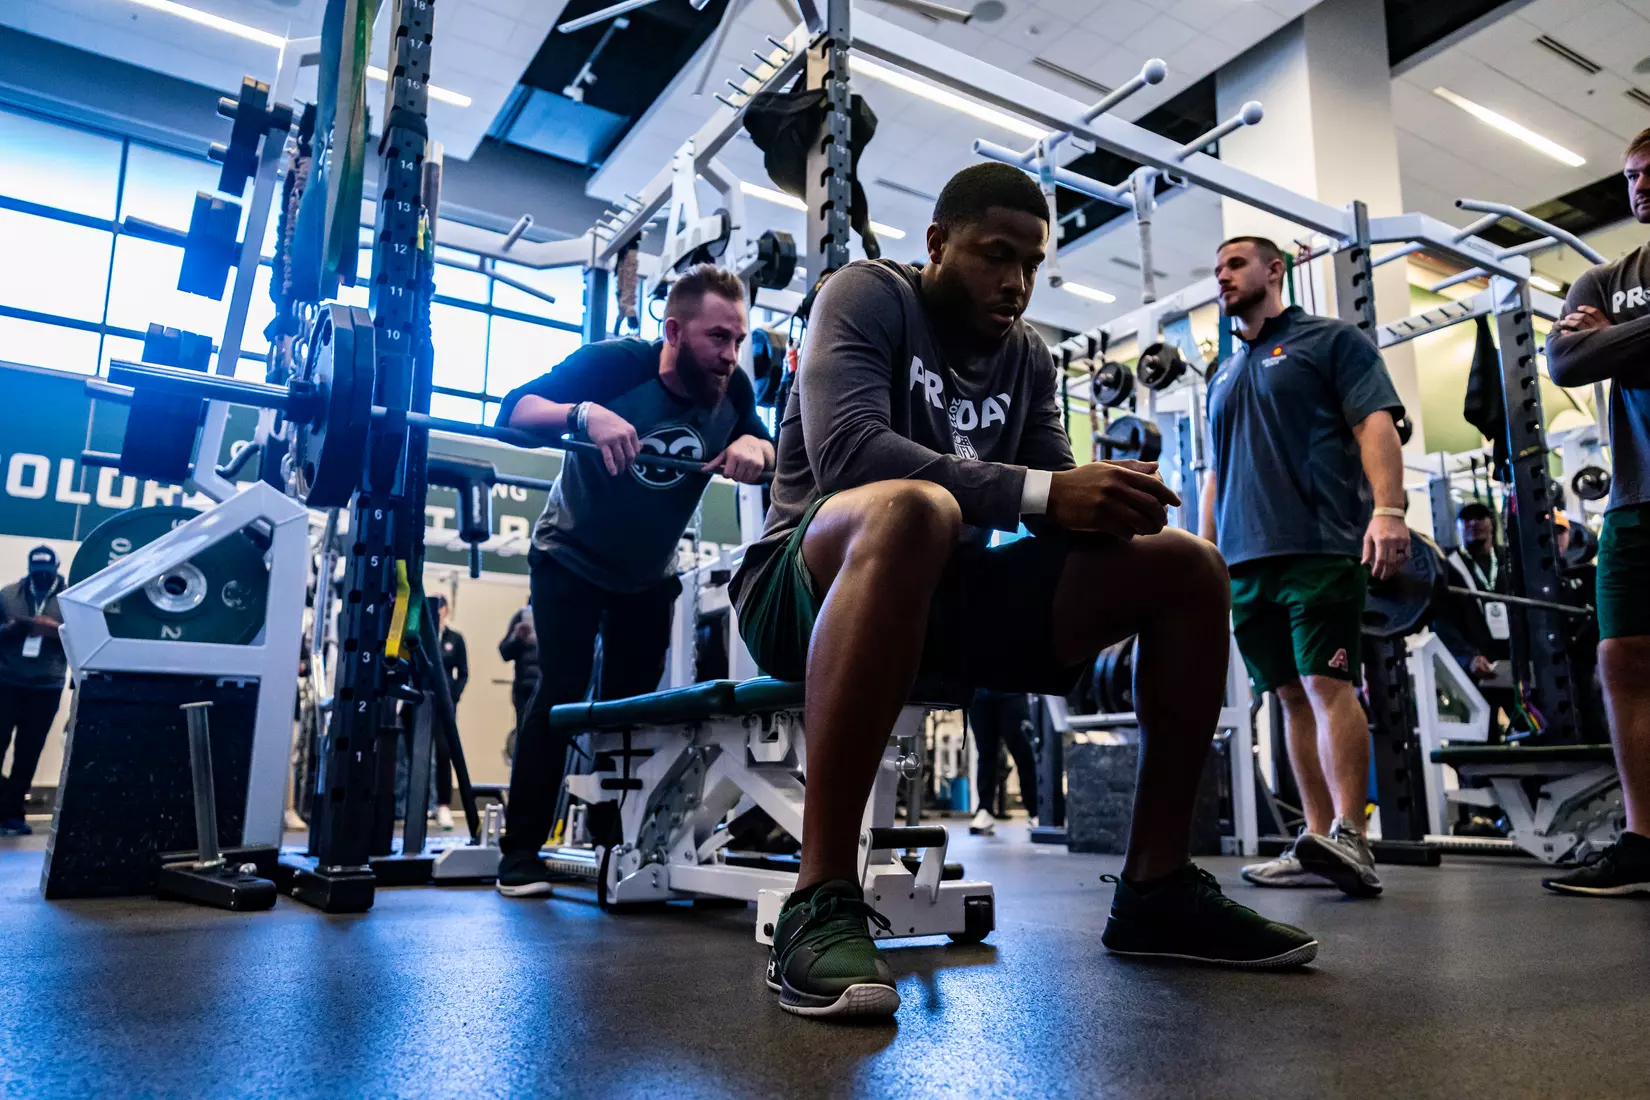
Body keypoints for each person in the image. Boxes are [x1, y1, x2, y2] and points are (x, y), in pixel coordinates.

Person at [730, 163, 1317, 1021]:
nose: (1016, 283)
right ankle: (819, 896)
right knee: (913, 509)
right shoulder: (866, 296)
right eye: (995, 255)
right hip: (803, 590)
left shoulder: (1028, 356)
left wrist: (1109, 504)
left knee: (1188, 565)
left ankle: (1157, 887)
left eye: (1032, 263)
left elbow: (1052, 496)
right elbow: (850, 454)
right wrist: (1046, 493)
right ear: (938, 244)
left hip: (944, 599)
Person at [492, 264, 774, 896]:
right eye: (717, 337)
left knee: (631, 713)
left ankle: (615, 849)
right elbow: (513, 412)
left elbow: (771, 451)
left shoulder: (732, 392)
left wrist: (758, 450)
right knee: (561, 692)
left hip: (646, 577)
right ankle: (520, 854)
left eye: (737, 339)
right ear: (673, 331)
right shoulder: (615, 365)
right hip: (569, 555)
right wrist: (583, 414)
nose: (731, 354)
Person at [1200, 235, 1408, 899]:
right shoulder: (1222, 373)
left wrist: (1390, 510)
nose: (1223, 276)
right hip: (1244, 560)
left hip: (1317, 546)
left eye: (1235, 264)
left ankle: (1353, 836)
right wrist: (1202, 556)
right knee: (1288, 696)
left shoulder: (1330, 341)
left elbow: (1375, 425)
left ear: (1274, 269)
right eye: (1217, 268)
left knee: (1326, 685)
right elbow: (1214, 474)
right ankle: (1316, 841)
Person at [1540, 125, 1650, 896]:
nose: (1641, 185)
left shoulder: (1611, 302)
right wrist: (1607, 339)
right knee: (1621, 658)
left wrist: (1619, 339)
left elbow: (1599, 351)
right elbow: (1566, 359)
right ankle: (1644, 840)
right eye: (1632, 175)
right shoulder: (1605, 279)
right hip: (1636, 500)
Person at [0, 547, 68, 836]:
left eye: (46, 571)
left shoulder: (70, 599)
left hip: (46, 686)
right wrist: (11, 630)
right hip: (7, 681)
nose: (41, 576)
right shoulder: (8, 595)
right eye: (36, 570)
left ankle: (13, 814)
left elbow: (82, 638)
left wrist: (55, 630)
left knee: (28, 753)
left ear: (56, 568)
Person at [1433, 501, 1509, 685]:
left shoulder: (1510, 561)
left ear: (1492, 523)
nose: (1474, 523)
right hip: (1475, 671)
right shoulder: (1447, 567)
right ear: (1458, 527)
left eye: (1480, 517)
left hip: (1517, 663)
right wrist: (1468, 657)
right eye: (1467, 519)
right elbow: (1441, 622)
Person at [967, 689, 1038, 835]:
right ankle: (985, 810)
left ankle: (1035, 811)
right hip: (978, 693)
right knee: (985, 754)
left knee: (1023, 753)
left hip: (1011, 691)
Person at [431, 595, 468, 830]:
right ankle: (417, 803)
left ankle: (443, 804)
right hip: (421, 701)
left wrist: (452, 696)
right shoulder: (422, 637)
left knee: (444, 751)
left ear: (446, 610)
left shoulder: (455, 639)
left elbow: (463, 672)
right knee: (416, 754)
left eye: (440, 607)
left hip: (444, 705)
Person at [498, 600, 539, 763]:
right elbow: (504, 652)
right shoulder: (522, 616)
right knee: (524, 741)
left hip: (549, 689)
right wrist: (517, 638)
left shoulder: (560, 612)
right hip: (525, 690)